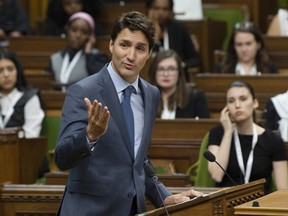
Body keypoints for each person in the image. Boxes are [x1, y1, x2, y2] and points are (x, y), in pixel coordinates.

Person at [54, 11, 203, 216]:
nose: (131, 56)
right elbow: (62, 158)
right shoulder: (83, 91)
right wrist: (89, 136)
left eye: (140, 48)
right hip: (88, 211)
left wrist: (164, 197)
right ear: (111, 45)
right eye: (124, 45)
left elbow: (136, 159)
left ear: (150, 53)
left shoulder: (151, 94)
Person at [207, 81, 288, 194]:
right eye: (231, 101)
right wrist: (228, 132)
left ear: (255, 103)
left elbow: (283, 191)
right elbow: (217, 175)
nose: (237, 105)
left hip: (260, 204)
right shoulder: (218, 133)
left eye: (243, 99)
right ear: (226, 108)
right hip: (227, 203)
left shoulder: (273, 140)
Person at [49, 12, 110, 90]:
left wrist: (88, 54)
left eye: (84, 32)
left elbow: (101, 82)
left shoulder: (98, 56)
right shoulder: (55, 58)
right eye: (74, 30)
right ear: (67, 30)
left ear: (90, 36)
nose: (78, 35)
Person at [146, 0, 200, 80]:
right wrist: (155, 38)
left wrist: (180, 65)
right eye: (156, 8)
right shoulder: (142, 30)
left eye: (165, 9)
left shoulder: (179, 29)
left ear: (170, 12)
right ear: (149, 10)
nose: (160, 13)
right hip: (149, 78)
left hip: (176, 78)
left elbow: (194, 59)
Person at [149, 49, 210, 119]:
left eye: (171, 69)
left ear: (179, 72)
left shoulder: (196, 99)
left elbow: (205, 128)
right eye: (161, 69)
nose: (166, 74)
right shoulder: (144, 97)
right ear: (154, 72)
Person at [0, 50, 44, 138]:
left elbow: (31, 135)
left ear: (17, 71)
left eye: (10, 69)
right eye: (0, 70)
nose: (6, 74)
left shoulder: (30, 98)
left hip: (21, 150)